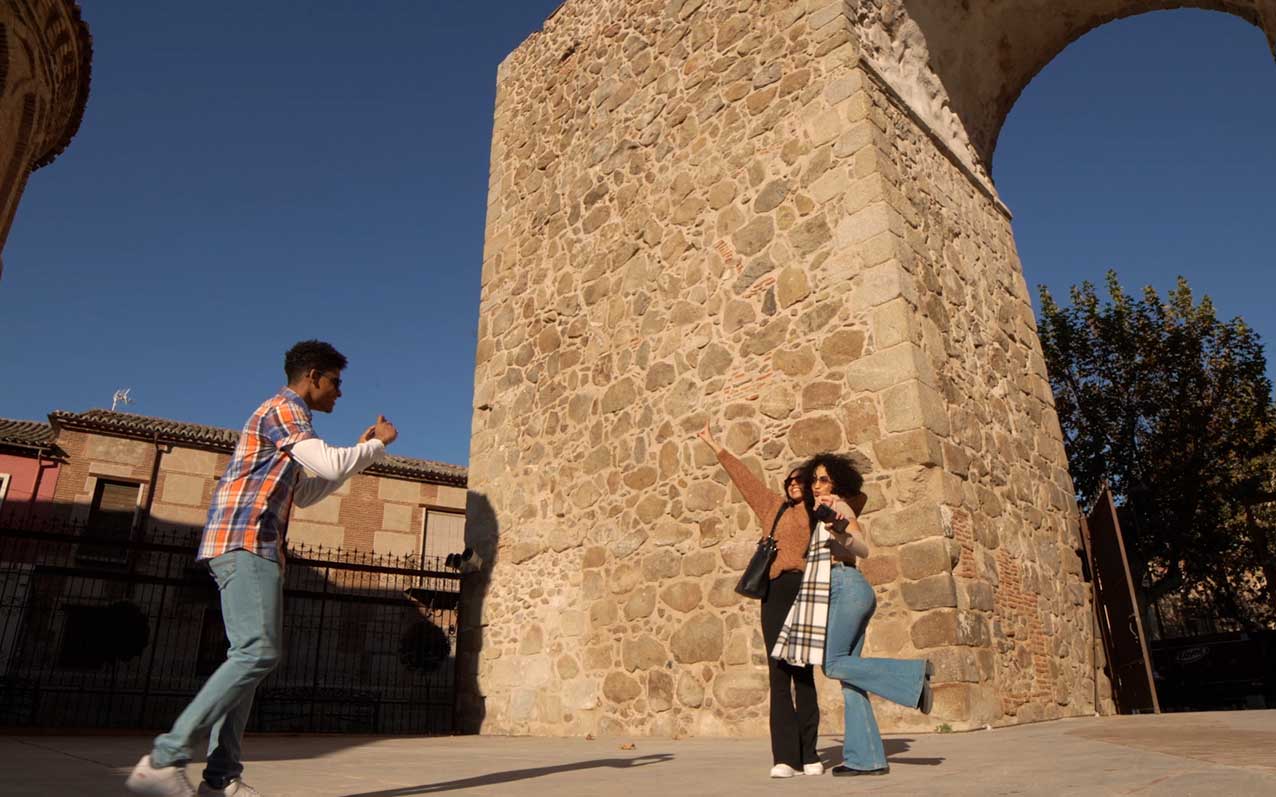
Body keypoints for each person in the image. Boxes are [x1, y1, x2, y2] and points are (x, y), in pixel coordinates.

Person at [125, 340, 398, 797]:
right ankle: (163, 758)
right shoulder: (284, 409)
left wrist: (363, 449)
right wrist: (373, 447)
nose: (340, 393)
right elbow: (328, 463)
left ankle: (221, 778)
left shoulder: (293, 426)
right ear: (311, 376)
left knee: (247, 661)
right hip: (246, 540)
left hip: (250, 544)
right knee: (258, 652)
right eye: (335, 382)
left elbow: (308, 492)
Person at [696, 423, 823, 779]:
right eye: (791, 481)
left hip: (804, 590)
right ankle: (784, 757)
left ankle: (809, 753)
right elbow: (744, 477)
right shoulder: (773, 507)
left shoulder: (816, 513)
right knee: (778, 673)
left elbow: (854, 501)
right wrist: (715, 446)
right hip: (774, 592)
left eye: (802, 481)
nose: (795, 484)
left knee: (804, 673)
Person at [802, 452, 933, 777]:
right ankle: (867, 758)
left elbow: (862, 548)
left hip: (845, 586)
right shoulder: (820, 511)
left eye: (824, 479)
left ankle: (914, 676)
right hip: (847, 590)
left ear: (836, 482)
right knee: (851, 680)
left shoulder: (837, 506)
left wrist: (838, 528)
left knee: (832, 664)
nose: (817, 486)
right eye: (814, 479)